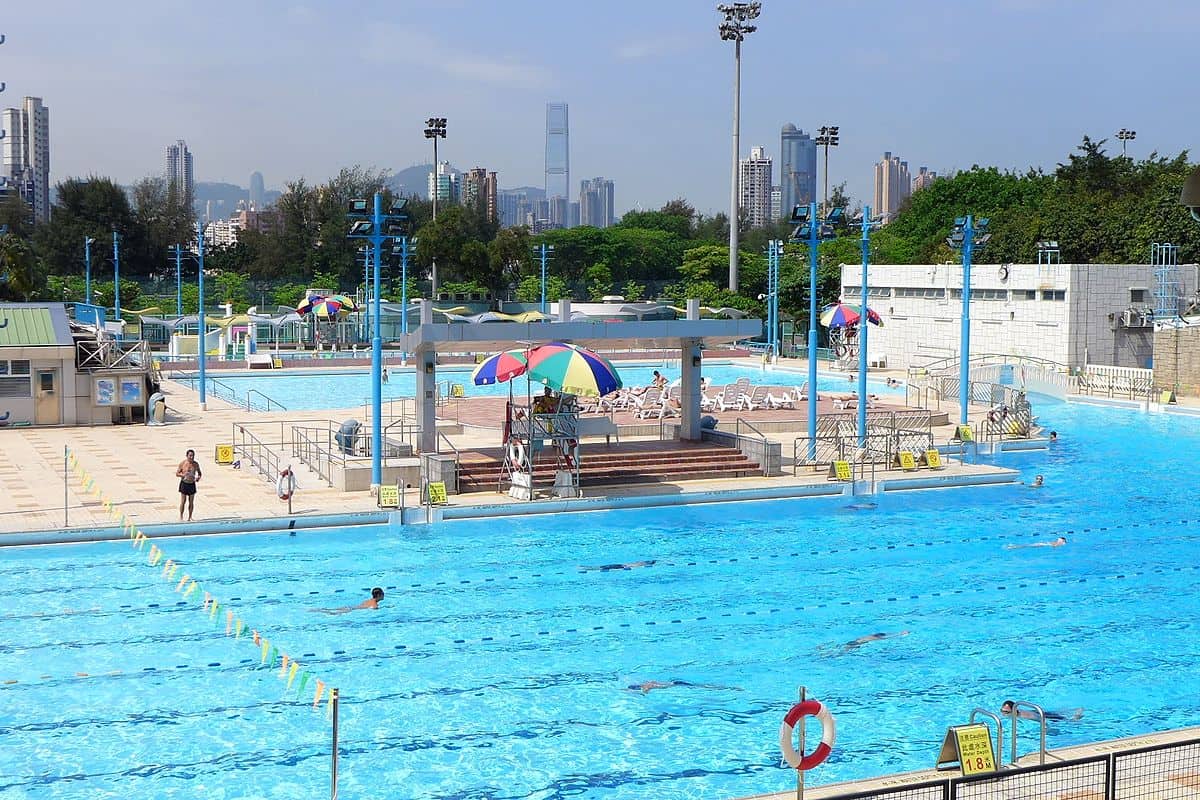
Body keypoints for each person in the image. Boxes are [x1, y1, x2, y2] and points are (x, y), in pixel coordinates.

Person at [311, 587, 385, 615]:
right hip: (351, 610)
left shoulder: (368, 600)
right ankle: (318, 610)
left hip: (350, 608)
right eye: (382, 594)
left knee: (330, 610)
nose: (384, 595)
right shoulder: (374, 605)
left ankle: (317, 609)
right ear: (378, 595)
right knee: (332, 613)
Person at [176, 448, 202, 521]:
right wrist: (183, 475)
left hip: (192, 484)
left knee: (191, 502)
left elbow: (199, 473)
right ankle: (181, 516)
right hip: (184, 484)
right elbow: (177, 473)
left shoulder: (195, 464)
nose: (191, 457)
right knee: (183, 501)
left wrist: (198, 478)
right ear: (187, 456)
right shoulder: (183, 463)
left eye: (193, 456)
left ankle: (190, 517)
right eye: (190, 456)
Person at [1000, 700, 1083, 721]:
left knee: (1068, 720)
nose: (1003, 714)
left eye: (1006, 712)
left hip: (1040, 715)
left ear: (1014, 711)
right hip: (1037, 711)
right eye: (1002, 711)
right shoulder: (1015, 713)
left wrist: (1046, 728)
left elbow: (1042, 720)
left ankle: (1077, 715)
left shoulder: (1026, 716)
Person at [626, 679, 739, 694]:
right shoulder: (649, 682)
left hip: (677, 685)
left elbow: (644, 693)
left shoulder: (646, 687)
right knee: (701, 685)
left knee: (702, 687)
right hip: (675, 683)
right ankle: (728, 687)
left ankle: (729, 688)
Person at [843, 630, 909, 650]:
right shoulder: (876, 638)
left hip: (853, 641)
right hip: (857, 644)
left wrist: (898, 632)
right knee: (845, 651)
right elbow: (889, 637)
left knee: (843, 647)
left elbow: (887, 634)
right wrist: (900, 633)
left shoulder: (869, 636)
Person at [580, 560, 657, 572]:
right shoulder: (640, 564)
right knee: (600, 567)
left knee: (599, 567)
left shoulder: (640, 563)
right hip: (621, 566)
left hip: (621, 565)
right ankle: (585, 567)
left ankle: (585, 567)